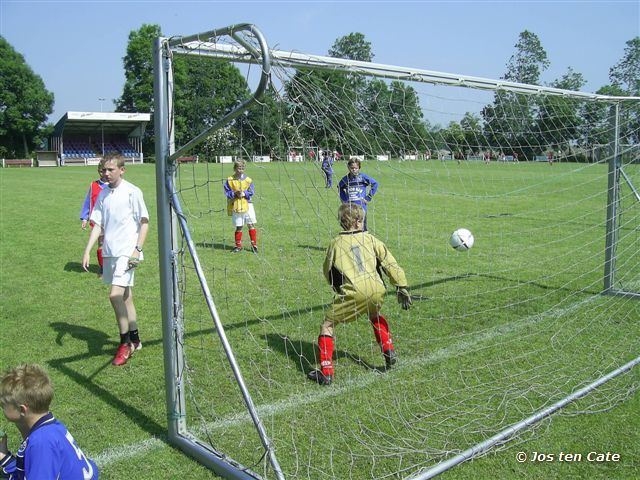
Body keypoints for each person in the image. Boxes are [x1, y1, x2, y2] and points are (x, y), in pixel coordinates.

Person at [307, 204, 412, 386]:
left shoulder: (335, 243)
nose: (363, 222)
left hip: (354, 291)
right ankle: (388, 349)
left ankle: (326, 373)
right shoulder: (371, 239)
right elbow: (389, 262)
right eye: (362, 219)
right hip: (377, 289)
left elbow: (328, 270)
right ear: (356, 222)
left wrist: (337, 289)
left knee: (327, 326)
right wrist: (401, 285)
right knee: (374, 314)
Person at [82, 154, 149, 366]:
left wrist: (137, 250)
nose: (106, 173)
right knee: (126, 296)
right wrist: (87, 250)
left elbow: (144, 222)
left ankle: (125, 343)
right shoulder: (103, 194)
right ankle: (136, 339)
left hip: (127, 252)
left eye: (111, 170)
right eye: (103, 170)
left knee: (115, 295)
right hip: (110, 252)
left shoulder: (132, 191)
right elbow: (99, 224)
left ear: (122, 170)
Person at [0, 364, 98, 479]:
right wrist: (3, 456)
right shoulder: (51, 427)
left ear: (22, 409)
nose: (2, 408)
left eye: (3, 405)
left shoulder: (40, 442)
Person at [79, 159, 109, 276]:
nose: (104, 173)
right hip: (98, 221)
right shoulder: (94, 185)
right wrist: (85, 218)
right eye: (101, 171)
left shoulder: (114, 185)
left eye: (106, 170)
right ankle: (103, 269)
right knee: (101, 244)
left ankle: (113, 266)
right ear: (98, 171)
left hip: (112, 220)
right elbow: (88, 202)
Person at [223, 159, 258, 253]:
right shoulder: (230, 180)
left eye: (242, 168)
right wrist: (235, 194)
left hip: (248, 205)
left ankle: (254, 245)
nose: (241, 169)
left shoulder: (248, 180)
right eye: (239, 167)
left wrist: (244, 193)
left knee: (250, 224)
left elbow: (251, 192)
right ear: (235, 168)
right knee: (239, 226)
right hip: (236, 205)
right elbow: (226, 192)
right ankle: (238, 246)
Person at [338, 158, 378, 231]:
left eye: (356, 168)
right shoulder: (345, 179)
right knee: (350, 227)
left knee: (362, 227)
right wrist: (344, 200)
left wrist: (368, 197)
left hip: (361, 207)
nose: (354, 170)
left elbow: (375, 184)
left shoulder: (363, 177)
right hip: (350, 207)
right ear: (348, 168)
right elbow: (339, 187)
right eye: (352, 168)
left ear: (359, 168)